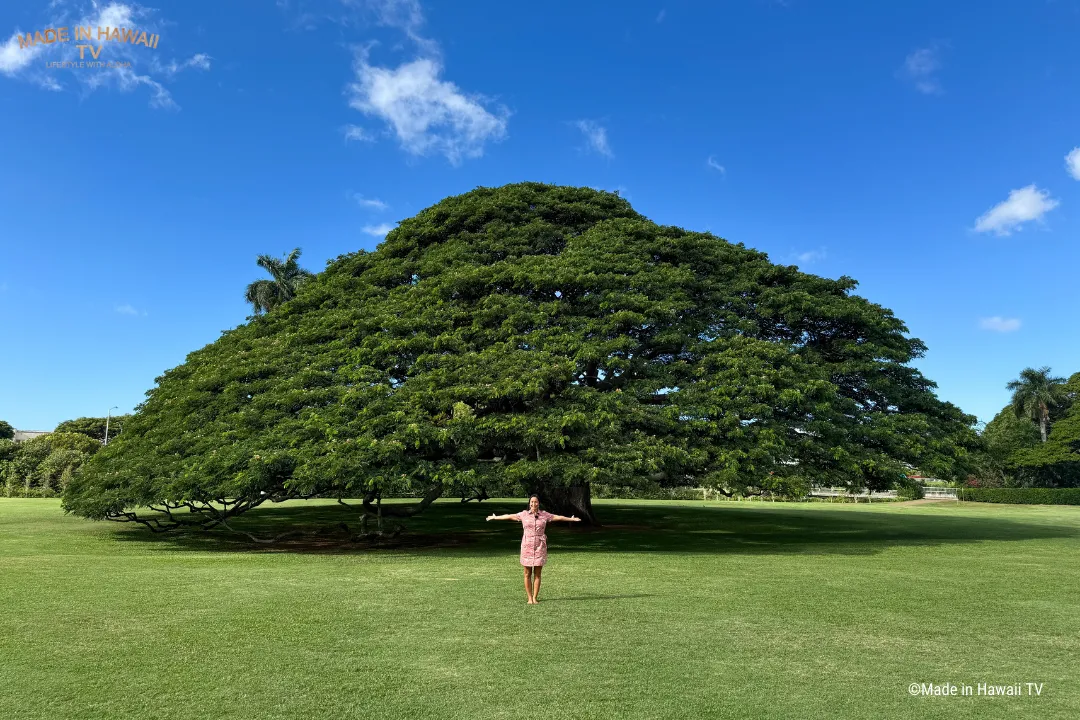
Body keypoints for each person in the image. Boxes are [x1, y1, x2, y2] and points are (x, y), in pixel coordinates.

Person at [487, 495, 581, 604]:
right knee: (527, 573)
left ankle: (535, 597)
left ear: (538, 503)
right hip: (527, 545)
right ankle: (529, 598)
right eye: (531, 502)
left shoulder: (544, 515)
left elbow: (557, 517)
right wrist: (495, 517)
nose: (533, 504)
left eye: (535, 502)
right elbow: (509, 516)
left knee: (537, 573)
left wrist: (571, 519)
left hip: (540, 546)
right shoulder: (524, 514)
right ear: (529, 503)